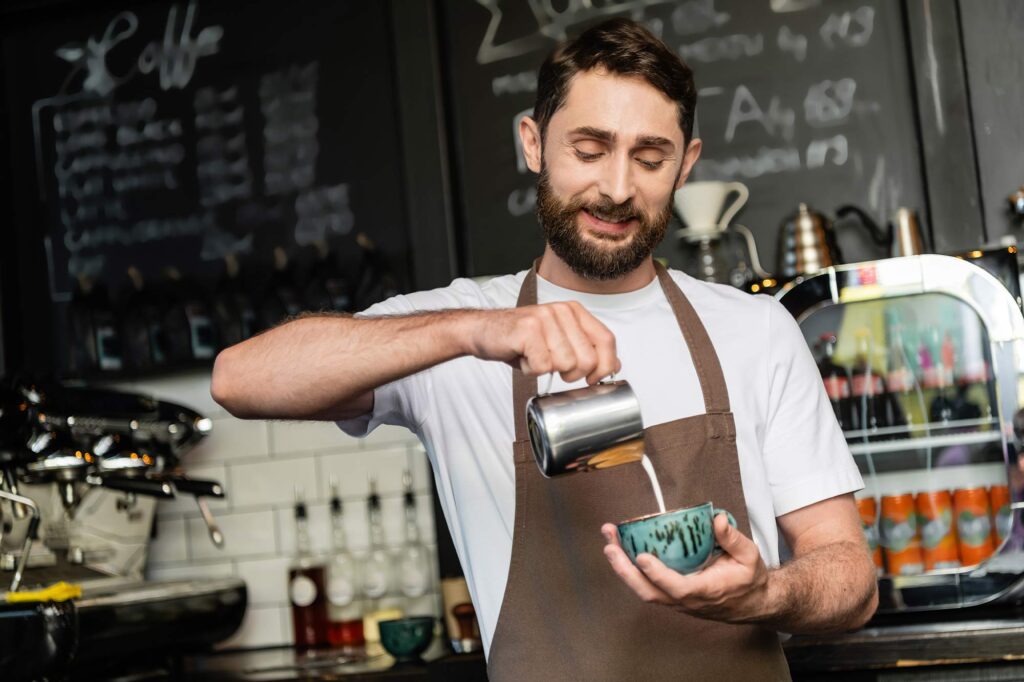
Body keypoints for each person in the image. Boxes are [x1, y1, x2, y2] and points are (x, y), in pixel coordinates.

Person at [212, 18, 877, 680]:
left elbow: (851, 579)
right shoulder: (459, 330)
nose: (617, 188)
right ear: (533, 143)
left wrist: (766, 594)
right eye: (589, 150)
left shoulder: (755, 330)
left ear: (686, 165)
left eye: (650, 159)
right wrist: (472, 331)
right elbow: (239, 380)